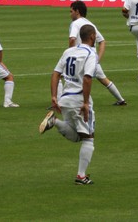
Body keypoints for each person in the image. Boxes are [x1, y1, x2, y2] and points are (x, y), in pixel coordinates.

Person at [39, 24, 98, 185]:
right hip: (79, 100)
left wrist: (53, 97)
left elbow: (55, 74)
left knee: (77, 136)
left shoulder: (69, 51)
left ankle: (54, 122)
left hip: (65, 99)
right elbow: (87, 78)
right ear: (92, 37)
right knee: (88, 139)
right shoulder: (91, 53)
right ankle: (81, 176)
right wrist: (86, 103)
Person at [68, 1, 126, 105]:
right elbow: (102, 41)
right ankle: (121, 100)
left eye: (71, 11)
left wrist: (70, 54)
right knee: (104, 79)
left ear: (77, 11)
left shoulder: (75, 24)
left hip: (80, 58)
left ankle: (62, 101)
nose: (70, 14)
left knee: (70, 78)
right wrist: (98, 59)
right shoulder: (90, 24)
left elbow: (72, 39)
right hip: (92, 58)